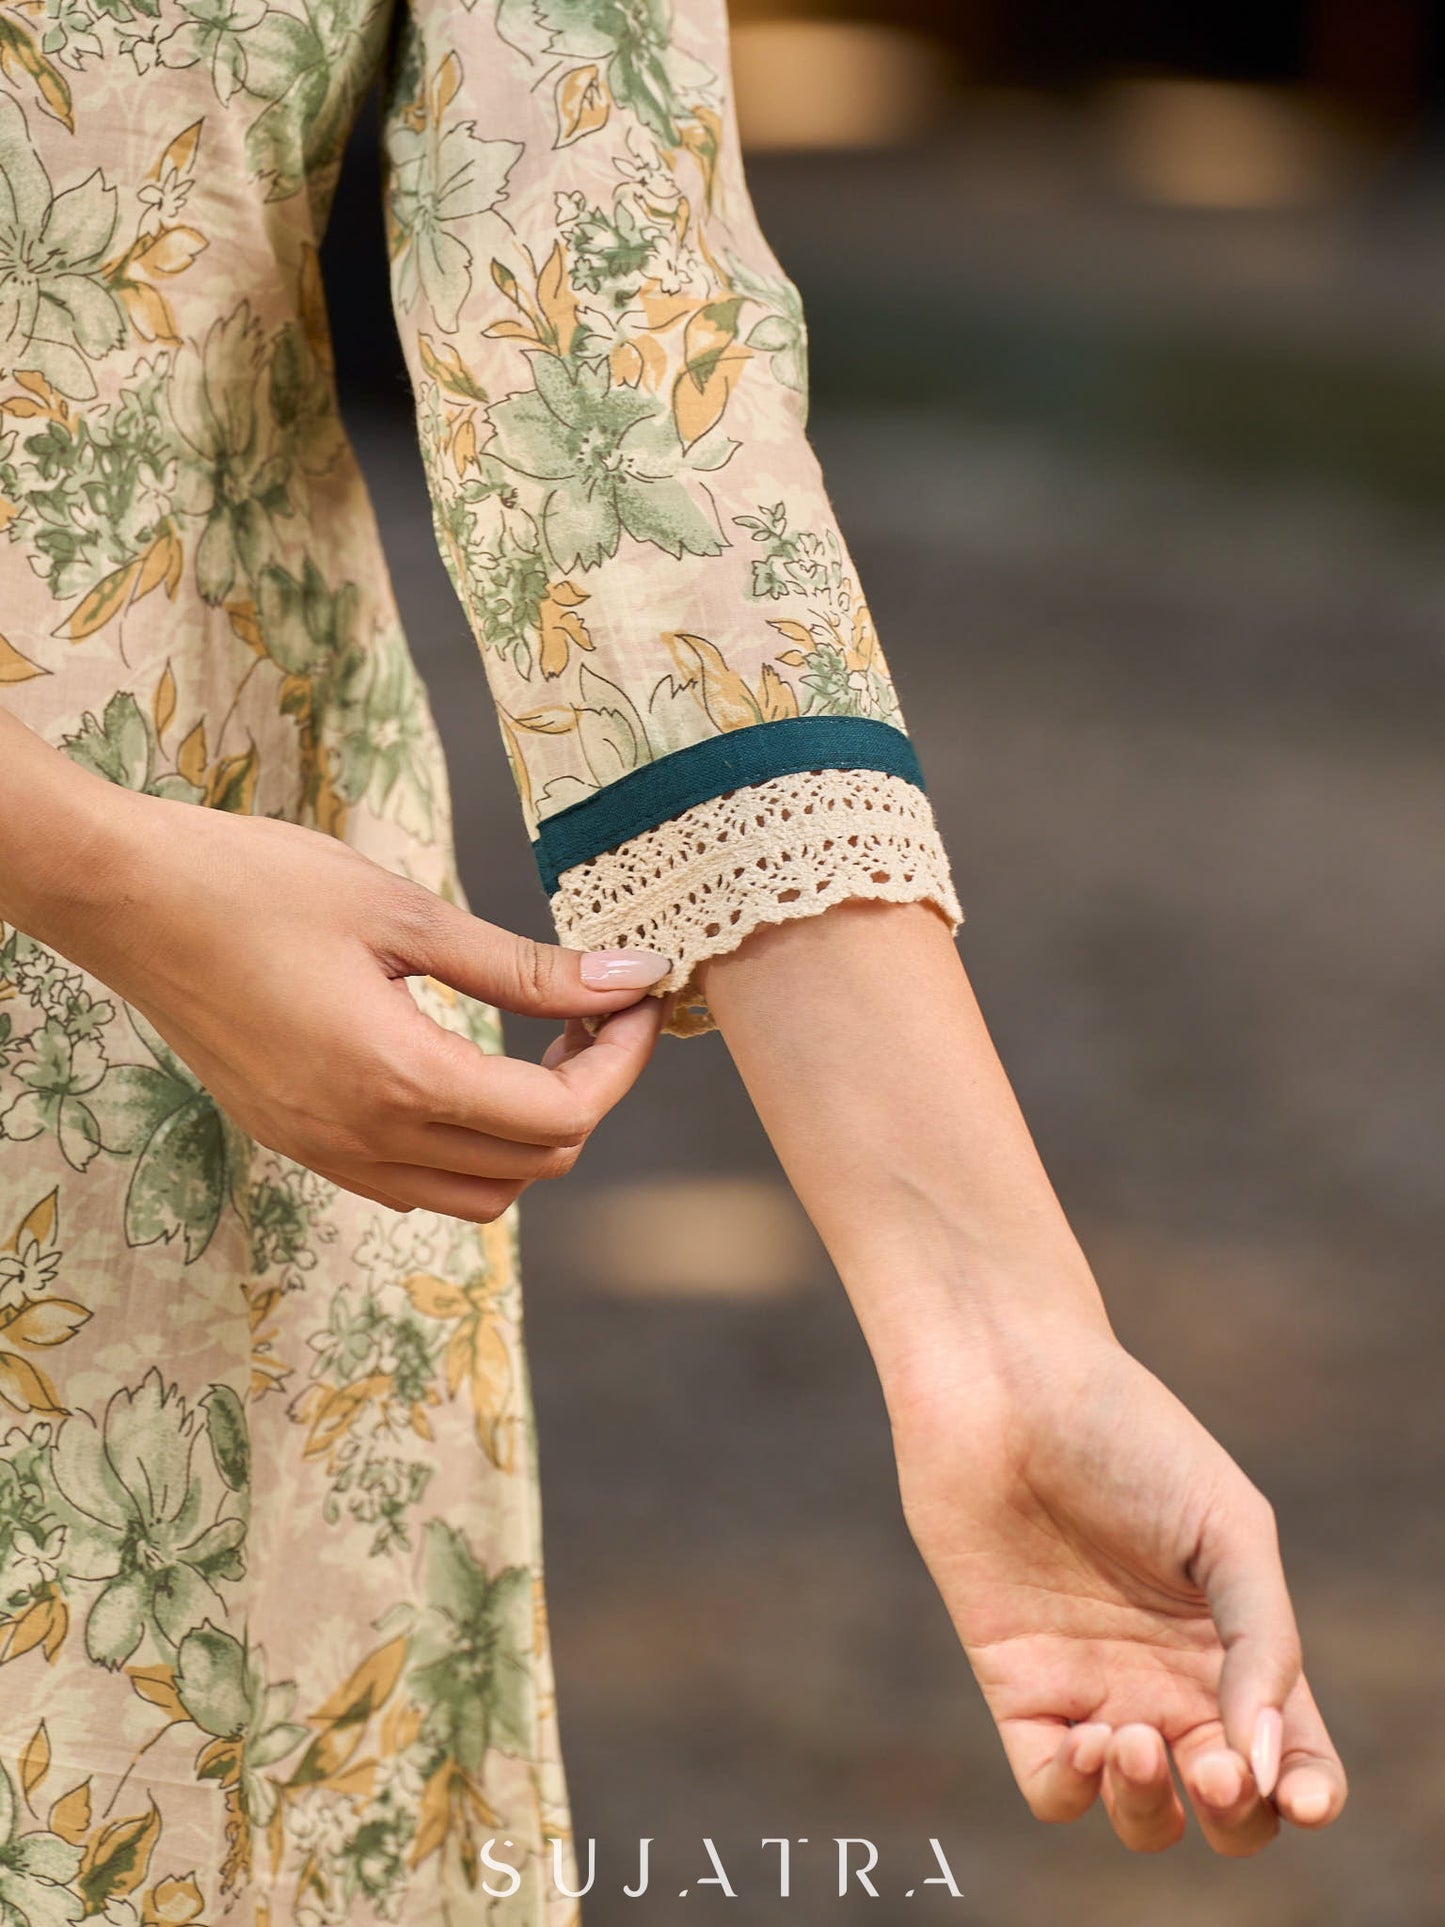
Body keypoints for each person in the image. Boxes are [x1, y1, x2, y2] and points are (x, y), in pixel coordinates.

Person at [0, 0, 1345, 1915]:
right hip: (193, 931)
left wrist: (995, 1334)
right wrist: (97, 873)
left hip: (209, 1061)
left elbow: (607, 313)